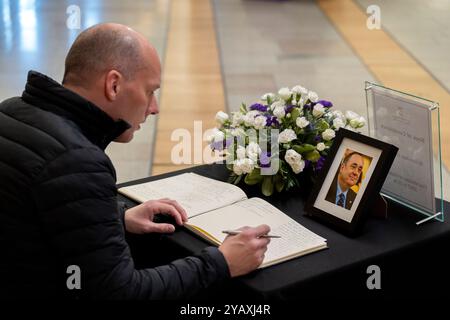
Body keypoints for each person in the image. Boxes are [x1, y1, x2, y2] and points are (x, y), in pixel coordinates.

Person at [0, 23, 270, 300]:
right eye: (150, 91)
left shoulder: (10, 110)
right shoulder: (78, 160)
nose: (154, 108)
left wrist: (117, 217)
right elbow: (121, 293)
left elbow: (39, 212)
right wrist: (221, 263)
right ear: (114, 84)